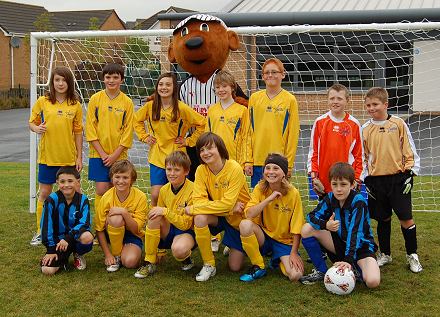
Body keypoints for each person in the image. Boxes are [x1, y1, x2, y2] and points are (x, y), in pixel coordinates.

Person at [362, 87, 422, 273]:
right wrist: (365, 179)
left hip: (398, 180)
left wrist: (410, 173)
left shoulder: (398, 124)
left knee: (406, 218)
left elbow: (410, 151)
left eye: (375, 104)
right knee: (383, 219)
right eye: (368, 105)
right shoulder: (364, 128)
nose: (371, 108)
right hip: (376, 182)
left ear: (385, 104)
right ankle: (385, 254)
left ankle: (412, 255)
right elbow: (362, 157)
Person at [300, 162, 380, 288]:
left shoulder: (359, 202)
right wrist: (326, 224)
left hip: (361, 247)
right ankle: (321, 270)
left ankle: (354, 266)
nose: (338, 189)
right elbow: (311, 216)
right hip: (340, 244)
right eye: (334, 184)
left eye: (343, 184)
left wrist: (348, 258)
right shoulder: (330, 198)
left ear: (352, 184)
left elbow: (356, 232)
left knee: (372, 282)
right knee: (306, 229)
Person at [185, 132, 250, 281]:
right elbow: (199, 201)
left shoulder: (234, 168)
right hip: (222, 215)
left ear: (220, 148)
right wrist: (228, 208)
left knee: (234, 267)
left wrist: (194, 209)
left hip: (239, 220)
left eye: (209, 148)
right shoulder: (201, 170)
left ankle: (239, 244)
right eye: (201, 150)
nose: (205, 153)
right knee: (200, 218)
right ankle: (209, 264)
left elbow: (224, 203)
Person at [29, 66, 83, 246]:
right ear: (52, 82)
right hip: (47, 157)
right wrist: (37, 128)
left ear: (69, 82)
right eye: (57, 80)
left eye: (64, 80)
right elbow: (32, 123)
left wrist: (79, 158)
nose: (60, 83)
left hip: (68, 158)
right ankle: (40, 230)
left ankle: (77, 229)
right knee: (44, 193)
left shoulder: (75, 104)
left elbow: (78, 132)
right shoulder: (43, 101)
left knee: (75, 194)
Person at [134, 72, 205, 207]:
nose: (164, 87)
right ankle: (155, 222)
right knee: (156, 194)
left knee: (179, 194)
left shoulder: (181, 108)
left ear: (174, 88)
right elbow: (136, 120)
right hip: (157, 155)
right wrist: (145, 136)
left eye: (168, 84)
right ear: (157, 87)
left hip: (177, 154)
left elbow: (202, 123)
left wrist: (188, 141)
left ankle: (181, 221)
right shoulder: (150, 106)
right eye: (161, 84)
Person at [239, 153, 304, 282]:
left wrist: (294, 252)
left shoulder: (293, 193)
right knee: (245, 225)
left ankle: (278, 260)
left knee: (295, 275)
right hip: (264, 236)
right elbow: (249, 214)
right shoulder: (259, 188)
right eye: (268, 168)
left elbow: (297, 226)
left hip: (283, 241)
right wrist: (269, 199)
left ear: (284, 173)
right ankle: (259, 266)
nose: (271, 172)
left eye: (276, 168)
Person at [134, 151, 195, 278]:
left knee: (179, 250)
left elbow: (186, 224)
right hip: (169, 228)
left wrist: (166, 211)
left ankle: (186, 258)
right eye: (169, 169)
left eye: (177, 170)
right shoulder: (164, 190)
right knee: (154, 216)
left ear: (186, 171)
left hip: (187, 231)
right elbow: (159, 215)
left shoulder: (194, 190)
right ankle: (149, 261)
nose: (172, 173)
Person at [86, 63, 134, 215]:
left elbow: (128, 131)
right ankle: (100, 225)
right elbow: (90, 128)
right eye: (108, 77)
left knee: (117, 189)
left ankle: (114, 224)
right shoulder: (95, 99)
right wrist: (102, 154)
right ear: (103, 79)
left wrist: (115, 155)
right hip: (98, 154)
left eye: (115, 77)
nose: (111, 80)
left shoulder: (127, 102)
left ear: (122, 79)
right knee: (101, 190)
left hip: (118, 155)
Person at [247, 58, 300, 187]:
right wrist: (248, 160)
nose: (270, 75)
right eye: (267, 72)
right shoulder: (254, 99)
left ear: (283, 74)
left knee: (278, 202)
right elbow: (248, 132)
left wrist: (289, 164)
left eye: (274, 72)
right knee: (259, 202)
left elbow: (292, 135)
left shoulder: (290, 100)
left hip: (280, 163)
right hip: (258, 161)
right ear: (263, 76)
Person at [307, 84, 363, 198]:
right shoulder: (319, 122)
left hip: (346, 182)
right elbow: (313, 152)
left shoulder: (354, 124)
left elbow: (359, 155)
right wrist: (314, 177)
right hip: (323, 181)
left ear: (347, 101)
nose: (335, 101)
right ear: (327, 100)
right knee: (327, 215)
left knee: (345, 214)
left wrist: (357, 179)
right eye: (332, 98)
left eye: (339, 98)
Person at [95, 160, 147, 272]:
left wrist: (124, 212)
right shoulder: (106, 197)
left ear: (132, 180)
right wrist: (108, 254)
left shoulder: (141, 197)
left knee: (130, 262)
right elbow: (99, 230)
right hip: (111, 232)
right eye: (117, 177)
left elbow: (136, 229)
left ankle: (129, 251)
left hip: (131, 234)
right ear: (112, 178)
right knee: (116, 218)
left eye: (125, 177)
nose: (121, 181)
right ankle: (116, 255)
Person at [40, 167, 93, 275]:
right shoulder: (51, 200)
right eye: (62, 181)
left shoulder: (83, 199)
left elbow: (85, 223)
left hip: (74, 238)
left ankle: (77, 254)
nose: (66, 185)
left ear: (77, 182)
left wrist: (68, 238)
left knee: (87, 237)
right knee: (47, 270)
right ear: (57, 182)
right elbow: (46, 225)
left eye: (70, 181)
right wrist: (50, 250)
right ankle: (62, 259)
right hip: (58, 242)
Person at [206, 70, 251, 167]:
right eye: (217, 87)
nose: (221, 90)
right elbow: (207, 135)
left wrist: (247, 160)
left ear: (232, 87)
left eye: (224, 86)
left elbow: (246, 137)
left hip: (235, 161)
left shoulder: (242, 110)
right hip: (215, 160)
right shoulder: (212, 110)